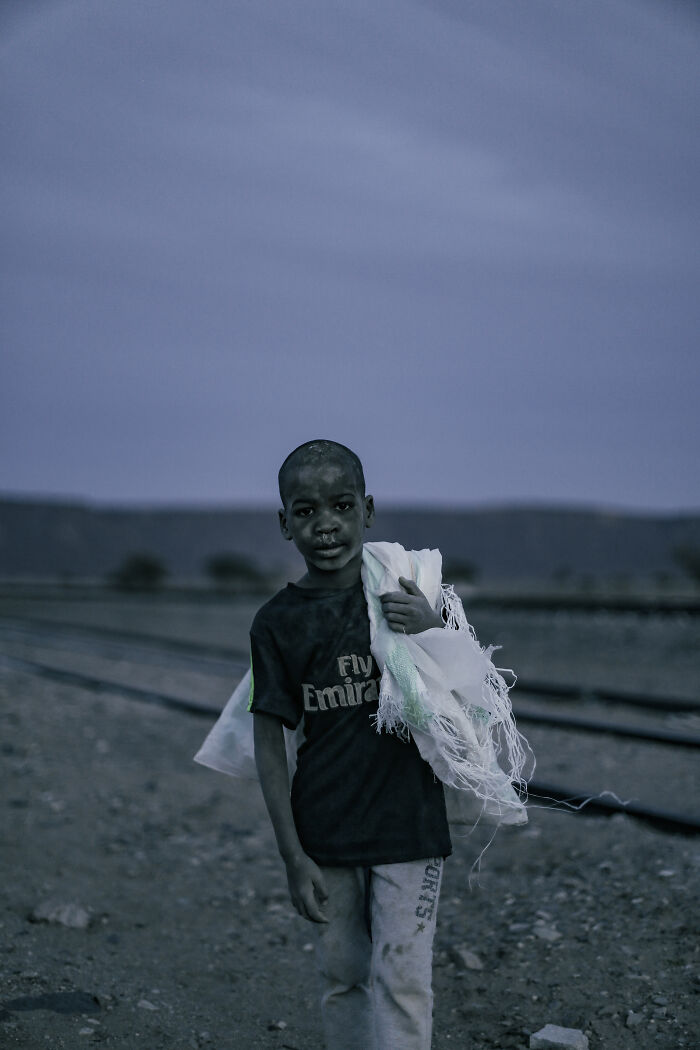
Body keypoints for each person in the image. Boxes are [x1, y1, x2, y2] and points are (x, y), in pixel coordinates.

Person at [243, 439, 528, 1050]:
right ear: (284, 522)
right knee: (343, 977)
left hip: (408, 827)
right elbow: (269, 743)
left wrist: (432, 629)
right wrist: (293, 856)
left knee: (403, 981)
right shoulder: (278, 622)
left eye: (341, 506)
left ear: (367, 510)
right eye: (306, 511)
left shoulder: (404, 600)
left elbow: (470, 689)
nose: (326, 524)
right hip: (325, 833)